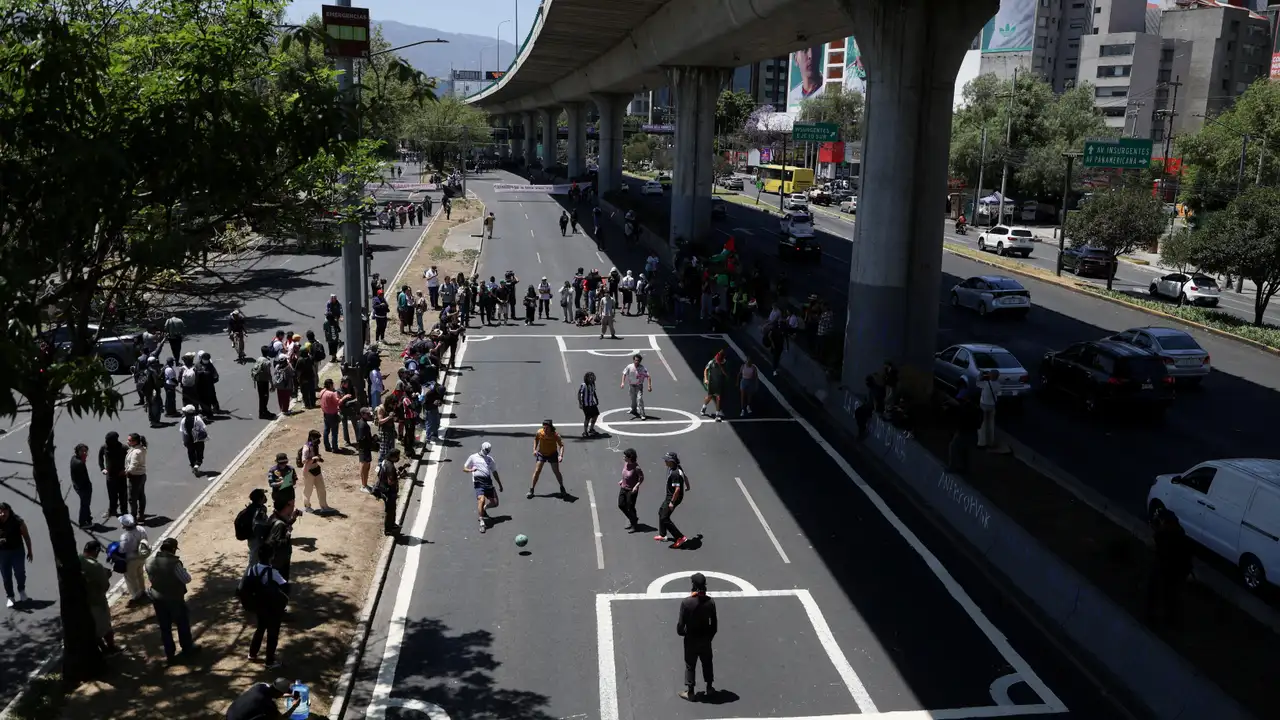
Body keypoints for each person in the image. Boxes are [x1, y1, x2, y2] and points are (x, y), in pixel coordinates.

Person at [144, 536, 199, 663]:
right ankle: (187, 647)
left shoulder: (149, 562)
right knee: (182, 624)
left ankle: (170, 653)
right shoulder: (174, 564)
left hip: (158, 599)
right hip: (174, 599)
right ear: (173, 549)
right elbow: (187, 579)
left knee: (165, 628)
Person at [243, 544, 290, 669]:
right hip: (272, 607)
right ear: (272, 556)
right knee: (272, 633)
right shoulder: (272, 572)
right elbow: (285, 586)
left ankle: (252, 654)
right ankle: (269, 661)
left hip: (258, 606)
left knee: (260, 628)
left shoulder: (252, 569)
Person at [1147, 509, 1193, 628]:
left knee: (1164, 595)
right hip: (1174, 572)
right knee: (1170, 597)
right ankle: (1169, 619)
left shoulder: (1166, 537)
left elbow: (1162, 551)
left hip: (1169, 572)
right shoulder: (1179, 535)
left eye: (1161, 521)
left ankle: (1163, 619)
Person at [676, 572, 717, 701]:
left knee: (690, 664)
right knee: (707, 663)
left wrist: (684, 634)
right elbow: (714, 626)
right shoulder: (710, 602)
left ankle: (691, 692)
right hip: (705, 639)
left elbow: (680, 626)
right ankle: (709, 687)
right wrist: (708, 637)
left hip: (691, 639)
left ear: (693, 585)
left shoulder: (686, 603)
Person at [80, 540, 120, 653]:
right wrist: (106, 575)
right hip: (97, 601)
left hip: (83, 602)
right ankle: (111, 648)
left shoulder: (78, 559)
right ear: (96, 551)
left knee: (91, 629)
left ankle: (102, 648)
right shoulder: (96, 566)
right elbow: (105, 586)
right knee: (106, 627)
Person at [464, 442, 503, 534]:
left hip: (488, 482)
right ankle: (482, 522)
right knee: (481, 500)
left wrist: (500, 484)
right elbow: (464, 468)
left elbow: (494, 472)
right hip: (478, 482)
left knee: (495, 503)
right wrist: (471, 470)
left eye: (488, 451)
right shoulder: (473, 457)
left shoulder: (490, 459)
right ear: (482, 448)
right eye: (485, 450)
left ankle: (484, 509)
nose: (486, 452)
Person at [0, 503, 33, 607]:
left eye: (5, 511)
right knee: (6, 575)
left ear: (9, 511)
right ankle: (10, 596)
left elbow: (26, 536)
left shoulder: (18, 521)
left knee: (20, 572)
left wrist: (30, 551)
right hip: (2, 553)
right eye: (0, 511)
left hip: (17, 551)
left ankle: (21, 590)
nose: (2, 513)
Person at [656, 452, 690, 547]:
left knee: (664, 517)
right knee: (661, 511)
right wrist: (688, 486)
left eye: (666, 460)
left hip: (674, 497)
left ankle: (680, 537)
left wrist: (672, 502)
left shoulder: (675, 473)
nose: (665, 462)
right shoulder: (676, 468)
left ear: (671, 461)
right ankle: (663, 535)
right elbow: (685, 476)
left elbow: (677, 489)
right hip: (670, 496)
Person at [226, 678, 302, 720]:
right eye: (283, 693)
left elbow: (273, 694)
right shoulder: (269, 706)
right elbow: (281, 718)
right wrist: (294, 706)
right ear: (279, 693)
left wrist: (291, 695)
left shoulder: (260, 686)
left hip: (230, 713)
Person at [528, 419, 566, 498]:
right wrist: (534, 449)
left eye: (547, 428)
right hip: (542, 454)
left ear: (551, 428)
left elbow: (561, 445)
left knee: (556, 471)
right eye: (544, 428)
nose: (545, 429)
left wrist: (560, 455)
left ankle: (562, 487)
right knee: (537, 471)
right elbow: (536, 439)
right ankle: (531, 490)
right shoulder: (539, 432)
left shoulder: (555, 435)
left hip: (552, 454)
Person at [119, 513, 150, 602]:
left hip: (131, 560)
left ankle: (136, 595)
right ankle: (142, 590)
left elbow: (122, 550)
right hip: (141, 557)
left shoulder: (125, 536)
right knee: (140, 574)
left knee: (131, 578)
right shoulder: (141, 529)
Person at [299, 430, 332, 514]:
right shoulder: (306, 448)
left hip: (316, 469)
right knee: (308, 490)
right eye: (316, 438)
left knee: (321, 489)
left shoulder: (315, 446)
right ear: (311, 438)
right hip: (308, 471)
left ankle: (324, 506)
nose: (318, 440)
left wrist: (318, 458)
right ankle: (307, 506)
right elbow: (303, 461)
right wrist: (313, 459)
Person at [98, 431, 128, 521]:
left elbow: (130, 460)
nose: (107, 442)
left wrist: (125, 469)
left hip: (121, 475)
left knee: (123, 494)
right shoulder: (104, 447)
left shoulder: (123, 448)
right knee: (112, 495)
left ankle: (124, 511)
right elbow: (100, 458)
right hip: (110, 476)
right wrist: (102, 468)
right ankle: (112, 510)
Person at [376, 447, 402, 536]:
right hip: (389, 491)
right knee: (390, 510)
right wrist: (399, 477)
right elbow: (391, 482)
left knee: (392, 509)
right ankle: (388, 529)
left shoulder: (385, 462)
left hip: (383, 489)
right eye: (397, 456)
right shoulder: (390, 466)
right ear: (393, 457)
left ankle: (392, 524)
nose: (398, 458)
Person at [125, 433, 149, 522]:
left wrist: (126, 472)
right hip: (142, 475)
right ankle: (141, 514)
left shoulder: (136, 452)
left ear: (135, 441)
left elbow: (133, 466)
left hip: (135, 477)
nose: (127, 442)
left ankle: (133, 517)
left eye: (129, 440)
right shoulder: (141, 449)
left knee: (132, 498)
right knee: (141, 495)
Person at [618, 448, 644, 530]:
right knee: (621, 505)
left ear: (629, 458)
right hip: (623, 487)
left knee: (630, 507)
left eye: (625, 456)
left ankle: (634, 525)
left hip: (631, 490)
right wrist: (622, 480)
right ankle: (633, 518)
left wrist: (636, 486)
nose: (623, 457)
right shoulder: (626, 464)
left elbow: (641, 478)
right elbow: (625, 474)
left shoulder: (636, 468)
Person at [700, 350, 729, 422]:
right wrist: (706, 379)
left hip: (719, 383)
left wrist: (721, 368)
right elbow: (706, 370)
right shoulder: (712, 362)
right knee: (709, 397)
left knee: (718, 398)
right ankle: (704, 407)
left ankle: (717, 415)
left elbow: (727, 375)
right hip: (712, 382)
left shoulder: (725, 364)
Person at [179, 405, 208, 476]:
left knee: (191, 453)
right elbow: (203, 427)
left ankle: (193, 466)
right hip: (198, 439)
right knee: (199, 453)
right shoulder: (198, 418)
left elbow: (183, 432)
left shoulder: (183, 420)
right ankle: (197, 464)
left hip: (189, 439)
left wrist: (184, 441)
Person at [621, 354, 652, 420]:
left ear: (640, 361)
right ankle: (633, 409)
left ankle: (642, 414)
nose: (636, 362)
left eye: (638, 360)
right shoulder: (629, 366)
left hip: (639, 386)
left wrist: (649, 386)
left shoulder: (642, 368)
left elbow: (648, 376)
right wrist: (622, 383)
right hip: (631, 385)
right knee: (633, 399)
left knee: (639, 399)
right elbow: (624, 374)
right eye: (635, 360)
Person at [70, 443, 93, 528]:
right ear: (77, 451)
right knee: (85, 504)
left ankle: (88, 518)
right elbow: (83, 478)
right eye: (82, 451)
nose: (84, 453)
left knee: (85, 504)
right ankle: (83, 522)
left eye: (85, 451)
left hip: (78, 486)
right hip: (83, 487)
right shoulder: (79, 463)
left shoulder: (74, 458)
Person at [319, 378, 341, 452]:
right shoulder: (331, 394)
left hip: (326, 414)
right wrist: (343, 397)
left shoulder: (322, 391)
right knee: (334, 432)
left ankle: (327, 446)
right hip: (332, 415)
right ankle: (335, 448)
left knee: (326, 430)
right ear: (331, 385)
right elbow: (338, 402)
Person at [578, 372, 600, 437]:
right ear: (587, 378)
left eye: (592, 377)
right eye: (590, 377)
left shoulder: (593, 384)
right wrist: (580, 403)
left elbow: (594, 392)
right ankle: (585, 431)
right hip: (586, 405)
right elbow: (579, 394)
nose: (591, 378)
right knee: (587, 418)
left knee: (596, 415)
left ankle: (591, 429)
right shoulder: (584, 385)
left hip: (592, 403)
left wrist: (596, 399)